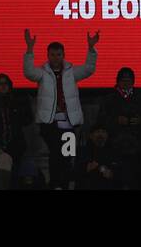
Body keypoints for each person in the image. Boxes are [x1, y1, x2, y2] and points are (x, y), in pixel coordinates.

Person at [22, 28, 98, 189]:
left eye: (58, 54)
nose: (55, 58)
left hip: (69, 122)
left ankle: (65, 184)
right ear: (48, 55)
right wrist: (29, 49)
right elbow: (28, 72)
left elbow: (89, 69)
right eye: (52, 55)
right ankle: (56, 184)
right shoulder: (42, 73)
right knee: (55, 154)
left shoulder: (71, 71)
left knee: (67, 155)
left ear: (63, 55)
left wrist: (91, 48)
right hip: (50, 122)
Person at [99, 67, 141, 177]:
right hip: (115, 145)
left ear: (133, 82)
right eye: (123, 80)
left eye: (129, 80)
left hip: (137, 146)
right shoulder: (109, 99)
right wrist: (116, 120)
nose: (126, 83)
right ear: (118, 81)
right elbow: (101, 120)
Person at [75, 123, 117, 190]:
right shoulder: (82, 151)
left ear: (107, 135)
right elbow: (73, 172)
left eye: (103, 132)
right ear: (91, 135)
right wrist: (86, 168)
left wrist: (112, 174)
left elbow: (120, 172)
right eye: (97, 132)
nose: (100, 134)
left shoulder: (113, 152)